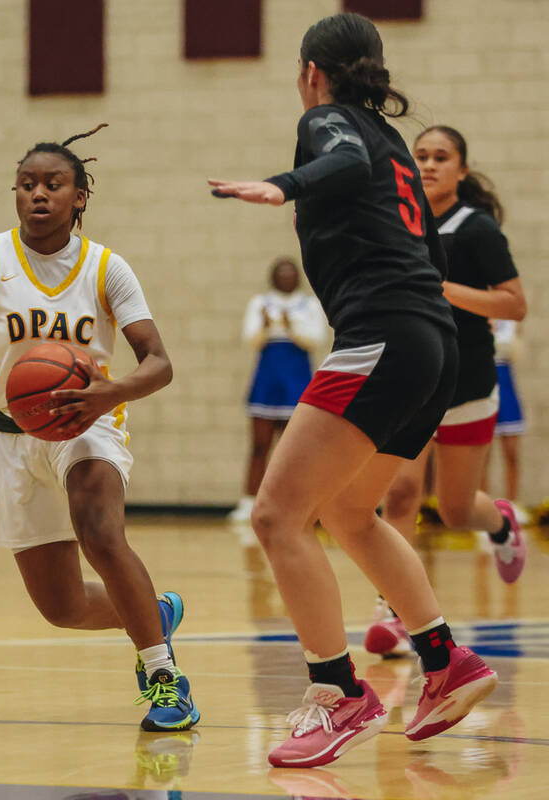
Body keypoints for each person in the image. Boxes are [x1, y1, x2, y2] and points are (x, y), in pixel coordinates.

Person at [209, 13, 497, 768]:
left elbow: (331, 157)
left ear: (311, 72)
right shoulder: (395, 145)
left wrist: (282, 186)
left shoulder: (331, 121)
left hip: (382, 334)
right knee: (348, 511)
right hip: (428, 341)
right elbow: (427, 251)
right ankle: (445, 662)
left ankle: (339, 695)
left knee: (276, 517)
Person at [0, 125, 199, 732]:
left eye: (53, 183)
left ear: (80, 197)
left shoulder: (106, 268)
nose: (37, 194)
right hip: (13, 437)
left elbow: (160, 363)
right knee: (61, 609)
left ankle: (164, 676)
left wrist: (108, 394)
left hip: (88, 425)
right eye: (26, 184)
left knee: (100, 535)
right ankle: (151, 612)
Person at [368, 126, 528, 656]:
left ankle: (500, 523)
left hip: (469, 380)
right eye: (421, 156)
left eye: (442, 157)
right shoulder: (395, 222)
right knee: (401, 493)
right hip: (412, 378)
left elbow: (513, 304)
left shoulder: (477, 228)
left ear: (462, 170)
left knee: (456, 511)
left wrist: (442, 290)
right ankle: (390, 613)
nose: (430, 164)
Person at [229, 257, 326, 522]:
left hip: (297, 378)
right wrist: (265, 325)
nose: (286, 276)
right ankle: (249, 502)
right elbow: (251, 339)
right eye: (280, 272)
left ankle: (297, 503)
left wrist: (290, 325)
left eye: (290, 272)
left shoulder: (310, 304)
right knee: (260, 444)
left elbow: (315, 339)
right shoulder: (260, 304)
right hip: (267, 378)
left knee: (296, 449)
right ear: (273, 276)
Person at [490, 318, 527, 519]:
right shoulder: (479, 309)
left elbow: (515, 350)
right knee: (482, 456)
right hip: (484, 384)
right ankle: (481, 504)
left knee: (512, 451)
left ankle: (512, 505)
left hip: (507, 385)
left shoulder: (512, 318)